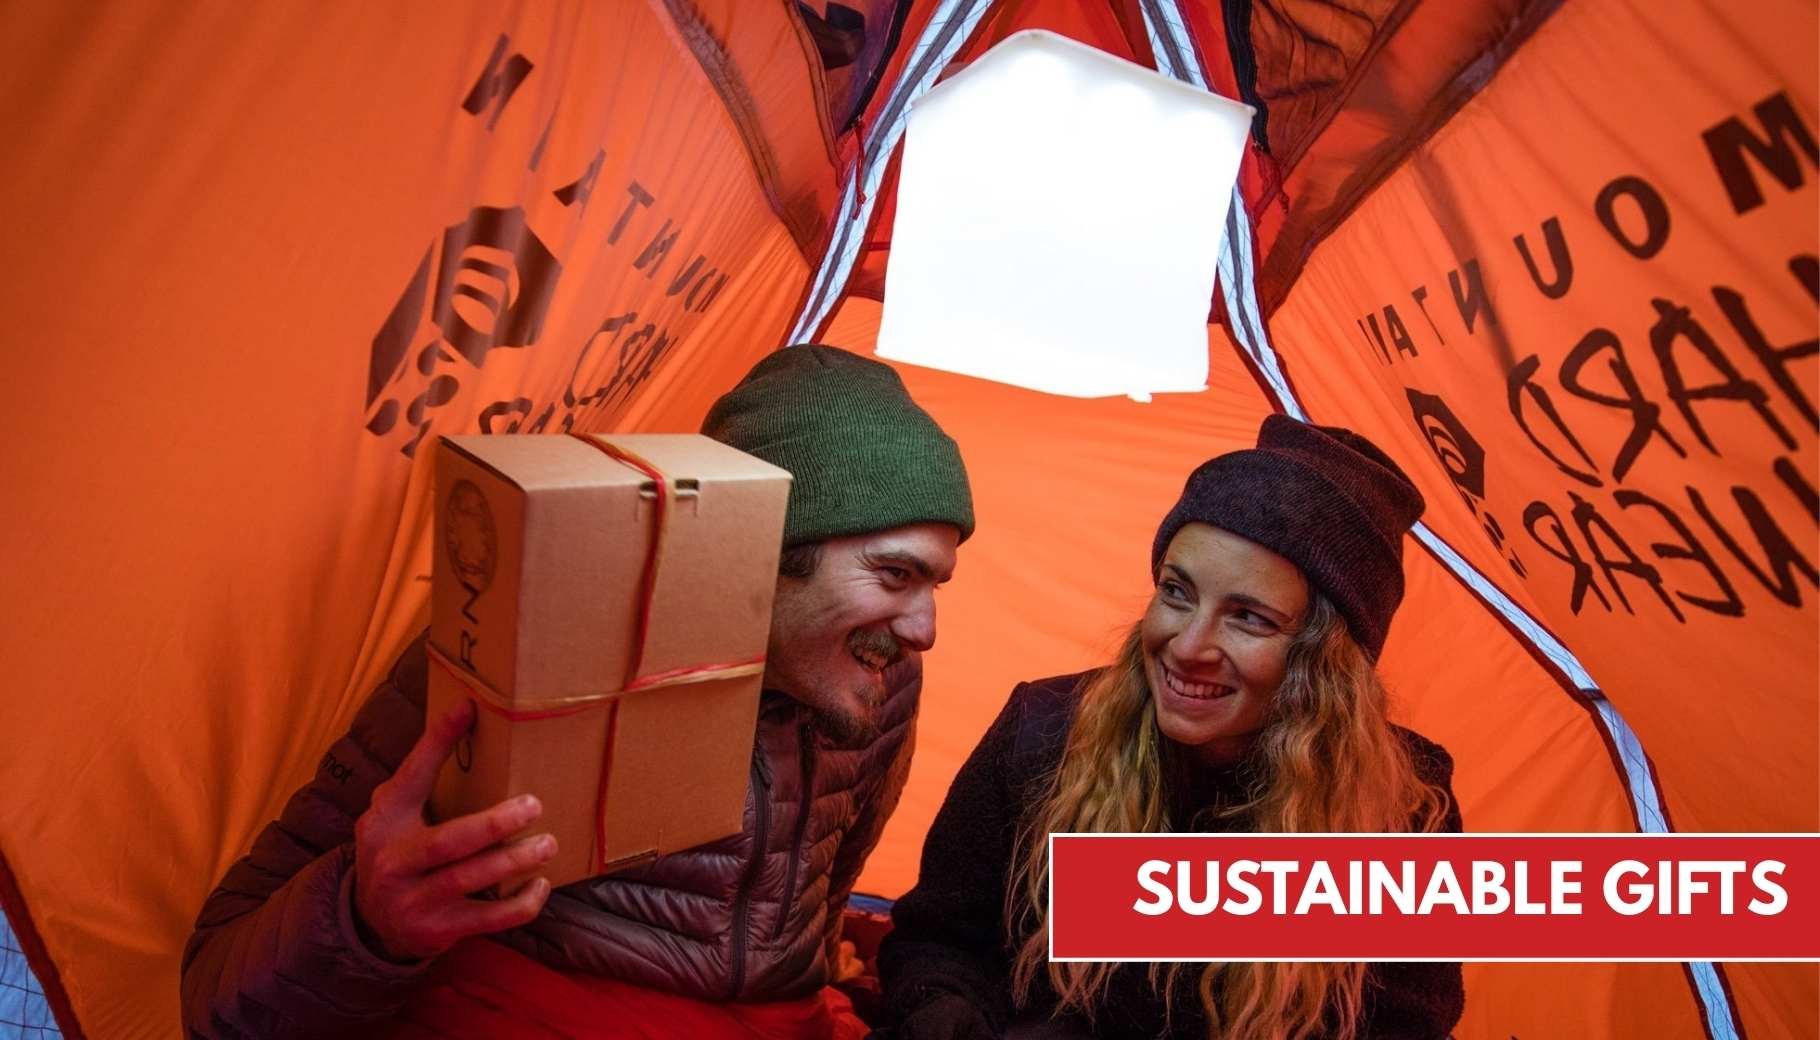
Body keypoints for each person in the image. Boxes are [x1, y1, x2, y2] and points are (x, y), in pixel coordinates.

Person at [180, 345, 974, 1039]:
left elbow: (831, 890)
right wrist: (365, 921)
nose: (925, 630)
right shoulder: (520, 650)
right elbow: (219, 996)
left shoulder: (883, 683)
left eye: (935, 584)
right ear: (767, 547)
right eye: (894, 574)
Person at [877, 415, 1465, 1040]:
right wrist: (948, 1013)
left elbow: (1405, 1026)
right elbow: (939, 940)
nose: (1187, 646)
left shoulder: (1401, 809)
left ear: (1327, 663)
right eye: (1177, 592)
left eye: (1249, 617)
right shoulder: (1045, 733)